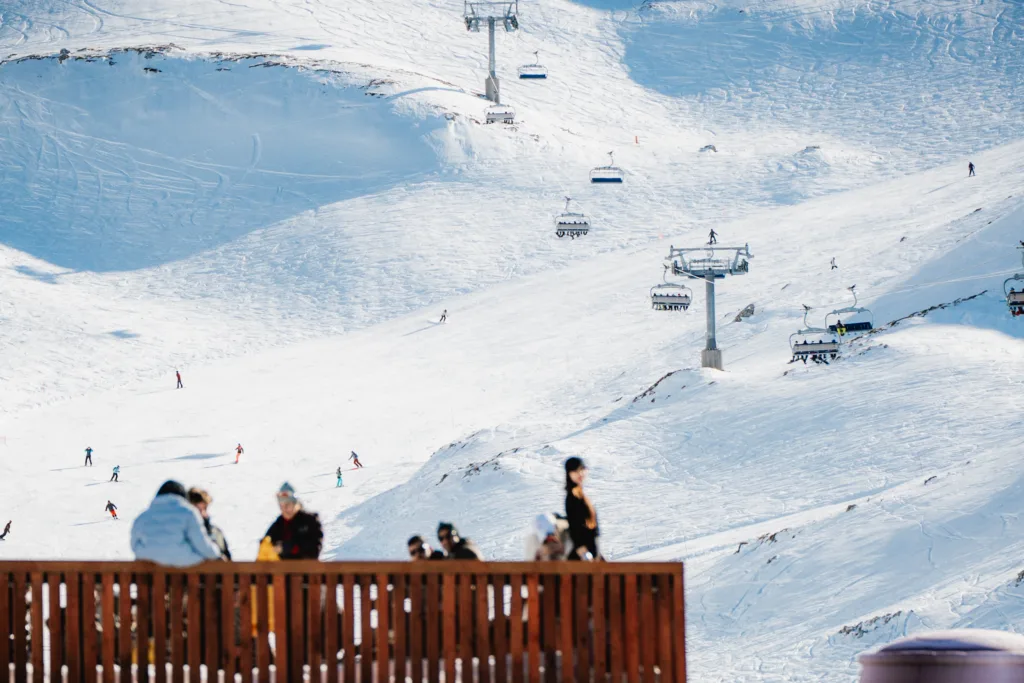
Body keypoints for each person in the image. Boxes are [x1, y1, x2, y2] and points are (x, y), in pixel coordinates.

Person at [131, 481, 222, 566]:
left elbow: (134, 546)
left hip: (150, 578)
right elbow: (205, 548)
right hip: (185, 575)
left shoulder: (142, 517)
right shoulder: (189, 514)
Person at [263, 483, 323, 560]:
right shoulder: (279, 524)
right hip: (282, 570)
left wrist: (291, 547)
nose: (285, 509)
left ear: (295, 503)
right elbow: (267, 543)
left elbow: (314, 550)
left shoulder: (309, 521)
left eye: (288, 505)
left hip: (305, 569)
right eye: (282, 506)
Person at [564, 457, 600, 561]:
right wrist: (583, 552)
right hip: (583, 555)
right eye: (575, 471)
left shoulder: (579, 493)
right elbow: (574, 526)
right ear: (569, 473)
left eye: (582, 469)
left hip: (591, 549)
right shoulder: (572, 497)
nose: (580, 473)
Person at [187, 487, 232, 560]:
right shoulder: (181, 533)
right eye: (197, 510)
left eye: (204, 509)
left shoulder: (215, 532)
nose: (201, 513)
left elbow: (228, 562)